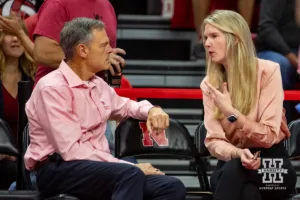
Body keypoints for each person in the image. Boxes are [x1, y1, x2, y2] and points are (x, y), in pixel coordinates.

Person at [24, 18, 186, 200]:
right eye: (103, 45)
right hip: (58, 169)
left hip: (99, 167)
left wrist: (152, 110)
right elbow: (71, 151)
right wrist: (128, 166)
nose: (110, 50)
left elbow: (126, 107)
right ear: (82, 50)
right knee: (129, 175)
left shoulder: (97, 84)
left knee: (171, 187)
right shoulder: (52, 88)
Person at [200, 10, 296, 200]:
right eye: (205, 37)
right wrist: (237, 152)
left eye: (214, 36)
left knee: (236, 176)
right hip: (232, 162)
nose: (206, 43)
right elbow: (213, 140)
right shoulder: (209, 84)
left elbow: (268, 136)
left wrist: (231, 113)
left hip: (272, 166)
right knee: (247, 191)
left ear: (235, 39)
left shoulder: (268, 72)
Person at [0, 15, 35, 190]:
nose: (15, 39)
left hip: (30, 157)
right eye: (8, 33)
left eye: (19, 33)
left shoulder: (36, 80)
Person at [256, 0, 300, 123]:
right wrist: (293, 58)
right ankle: (280, 129)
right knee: (278, 66)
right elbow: (266, 27)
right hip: (275, 50)